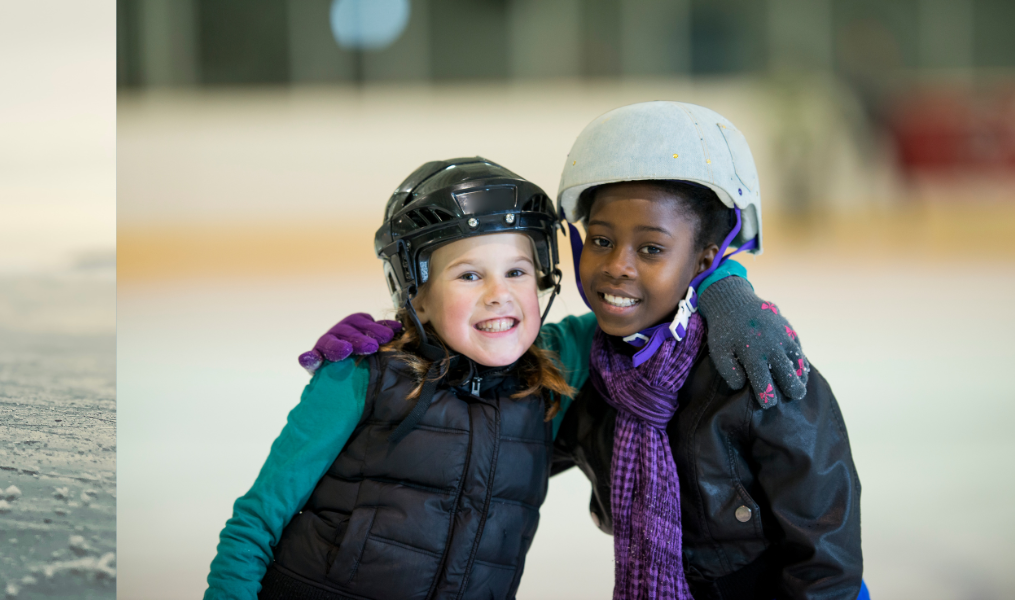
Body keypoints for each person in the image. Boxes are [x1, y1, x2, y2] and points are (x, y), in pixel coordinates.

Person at [208, 158, 582, 600]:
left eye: (517, 272)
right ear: (416, 297)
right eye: (469, 275)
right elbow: (255, 523)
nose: (499, 293)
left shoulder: (549, 379)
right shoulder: (362, 374)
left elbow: (647, 309)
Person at [546, 102, 862, 599]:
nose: (618, 266)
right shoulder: (591, 371)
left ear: (704, 260)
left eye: (651, 249)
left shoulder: (753, 364)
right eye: (601, 240)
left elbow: (824, 549)